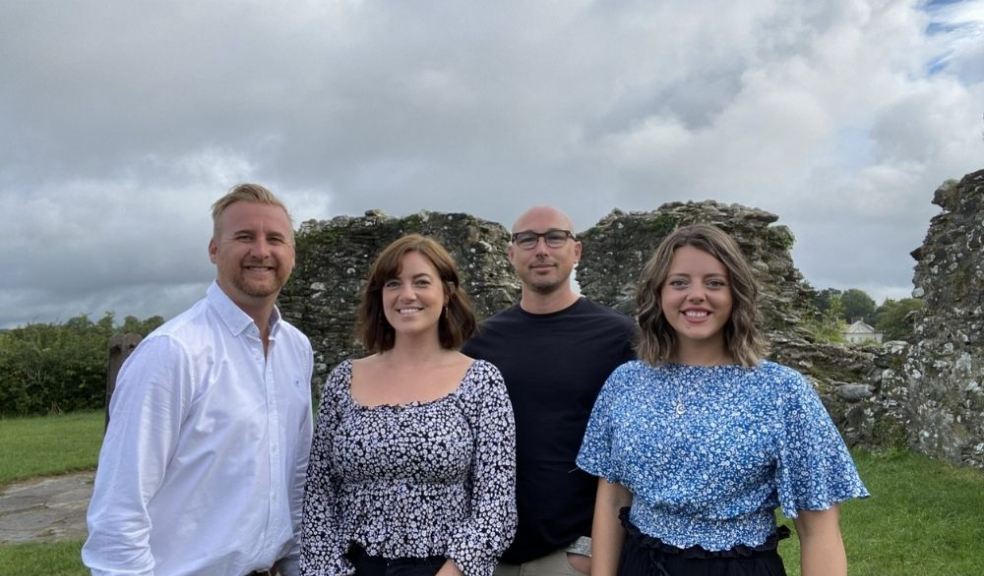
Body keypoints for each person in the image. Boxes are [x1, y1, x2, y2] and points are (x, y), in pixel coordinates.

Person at [577, 224, 869, 576]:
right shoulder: (625, 382)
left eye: (714, 283)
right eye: (679, 282)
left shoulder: (782, 391)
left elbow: (818, 527)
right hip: (641, 564)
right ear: (658, 294)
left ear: (736, 295)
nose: (696, 295)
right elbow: (612, 498)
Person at [82, 183, 315, 576]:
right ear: (213, 249)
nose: (261, 251)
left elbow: (295, 476)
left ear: (291, 254)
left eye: (275, 239)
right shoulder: (171, 352)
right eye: (244, 237)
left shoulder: (296, 348)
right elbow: (119, 510)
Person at [300, 234, 516, 576]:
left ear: (446, 293)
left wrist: (455, 572)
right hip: (351, 567)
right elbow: (318, 493)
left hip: (443, 568)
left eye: (421, 282)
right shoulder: (344, 379)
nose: (406, 295)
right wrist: (326, 570)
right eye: (393, 283)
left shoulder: (481, 381)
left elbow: (496, 505)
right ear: (380, 297)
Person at [461, 206, 637, 576]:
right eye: (528, 239)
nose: (541, 249)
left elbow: (635, 453)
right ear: (511, 254)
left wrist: (593, 551)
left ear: (576, 251)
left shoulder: (620, 338)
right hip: (489, 557)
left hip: (571, 555)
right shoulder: (480, 343)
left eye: (554, 237)